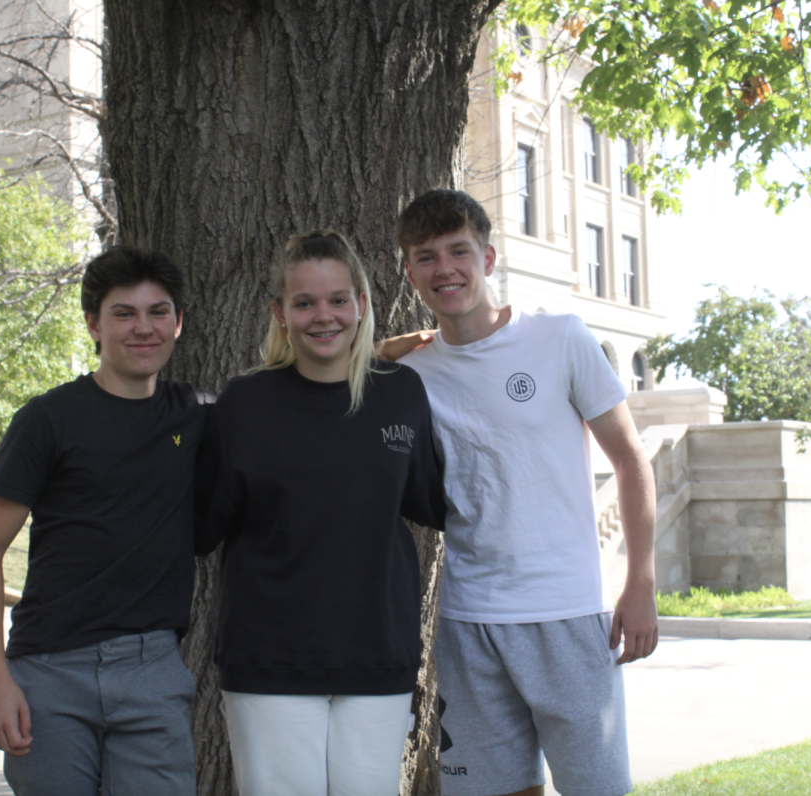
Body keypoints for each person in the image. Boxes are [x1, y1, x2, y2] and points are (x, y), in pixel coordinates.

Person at [390, 189, 658, 796]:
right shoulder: (410, 374)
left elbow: (631, 461)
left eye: (458, 251)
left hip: (566, 615)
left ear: (488, 257)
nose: (445, 269)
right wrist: (386, 348)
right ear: (410, 273)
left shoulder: (561, 338)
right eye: (426, 257)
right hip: (467, 620)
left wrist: (639, 582)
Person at [197, 230, 446, 796]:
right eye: (304, 302)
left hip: (377, 652)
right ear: (279, 312)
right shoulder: (244, 403)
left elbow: (436, 501)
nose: (323, 316)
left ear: (361, 302)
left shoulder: (400, 393)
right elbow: (201, 523)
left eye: (338, 299)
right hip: (270, 659)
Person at [0, 246, 210, 796]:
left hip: (151, 670)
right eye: (124, 313)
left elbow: (290, 392)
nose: (143, 328)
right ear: (93, 325)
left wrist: (378, 350)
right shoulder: (46, 420)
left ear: (179, 322)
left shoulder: (196, 413)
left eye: (158, 312)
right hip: (48, 675)